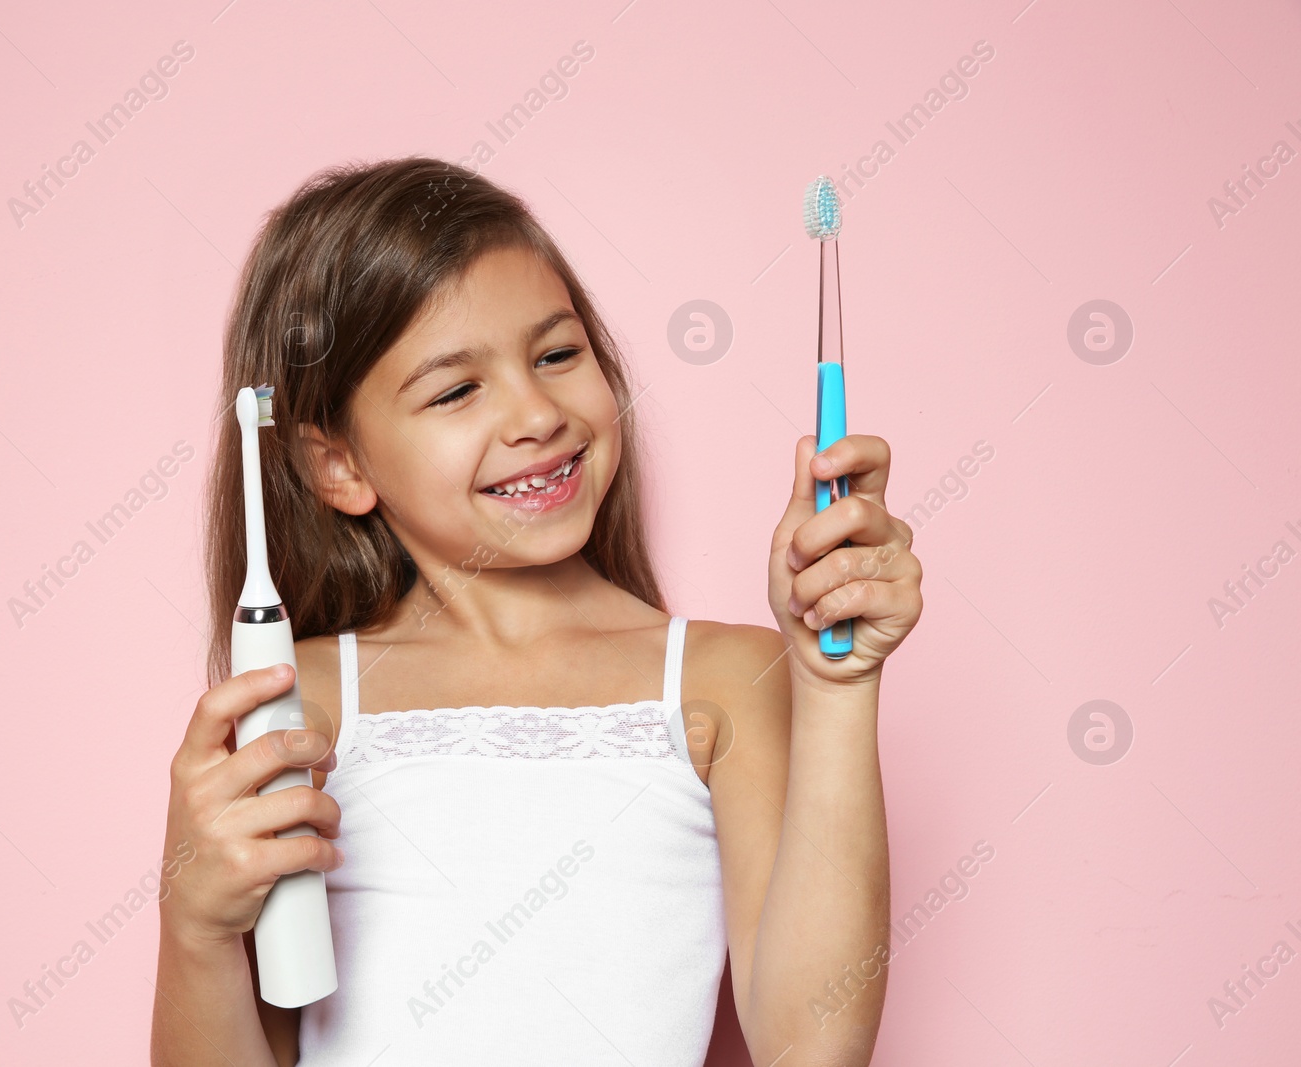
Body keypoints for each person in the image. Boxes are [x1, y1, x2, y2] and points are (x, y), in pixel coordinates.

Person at [150, 156, 923, 1067]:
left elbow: (813, 1048)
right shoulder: (296, 703)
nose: (536, 413)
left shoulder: (724, 682)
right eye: (456, 390)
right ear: (338, 466)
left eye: (558, 354)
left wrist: (838, 688)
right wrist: (195, 929)